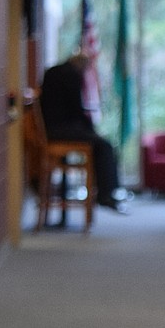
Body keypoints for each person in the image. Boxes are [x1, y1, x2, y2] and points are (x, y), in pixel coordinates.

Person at [38, 50, 126, 212]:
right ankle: (106, 193)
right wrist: (91, 129)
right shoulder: (71, 76)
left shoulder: (52, 72)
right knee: (104, 146)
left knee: (100, 143)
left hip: (51, 129)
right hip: (61, 130)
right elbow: (76, 109)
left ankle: (105, 191)